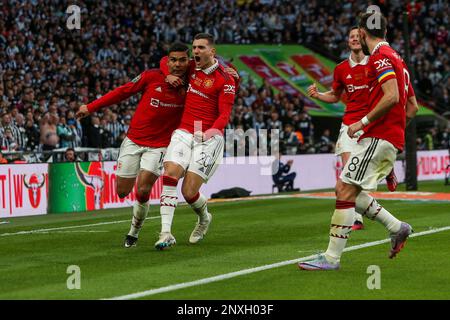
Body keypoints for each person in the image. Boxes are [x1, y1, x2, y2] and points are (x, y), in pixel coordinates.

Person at [299, 12, 419, 271]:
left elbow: (391, 97)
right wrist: (396, 134)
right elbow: (413, 106)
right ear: (385, 31)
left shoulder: (380, 58)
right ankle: (396, 227)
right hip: (383, 136)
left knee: (344, 189)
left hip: (376, 134)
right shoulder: (398, 58)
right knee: (348, 188)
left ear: (363, 34)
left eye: (358, 35)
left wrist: (364, 123)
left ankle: (331, 258)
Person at [76, 42, 191, 248]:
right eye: (173, 60)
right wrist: (91, 107)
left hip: (159, 145)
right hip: (133, 140)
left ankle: (134, 231)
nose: (177, 64)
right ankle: (136, 226)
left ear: (188, 61)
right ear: (168, 60)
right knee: (122, 191)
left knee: (143, 189)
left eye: (183, 60)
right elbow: (122, 92)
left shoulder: (191, 83)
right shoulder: (152, 76)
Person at [307, 27, 398, 231]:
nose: (355, 39)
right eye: (352, 37)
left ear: (364, 39)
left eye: (358, 36)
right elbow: (335, 95)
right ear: (348, 42)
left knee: (352, 178)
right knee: (348, 176)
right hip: (349, 124)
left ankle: (388, 172)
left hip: (369, 123)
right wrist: (318, 95)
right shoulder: (340, 68)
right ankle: (357, 218)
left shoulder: (376, 63)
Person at [155, 33, 237, 250]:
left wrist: (209, 132)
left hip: (209, 136)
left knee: (189, 192)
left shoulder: (226, 79)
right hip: (184, 130)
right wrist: (168, 75)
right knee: (170, 172)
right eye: (194, 47)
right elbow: (165, 61)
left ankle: (204, 218)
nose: (196, 52)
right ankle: (165, 233)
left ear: (213, 51)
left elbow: (224, 115)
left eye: (201, 47)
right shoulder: (191, 67)